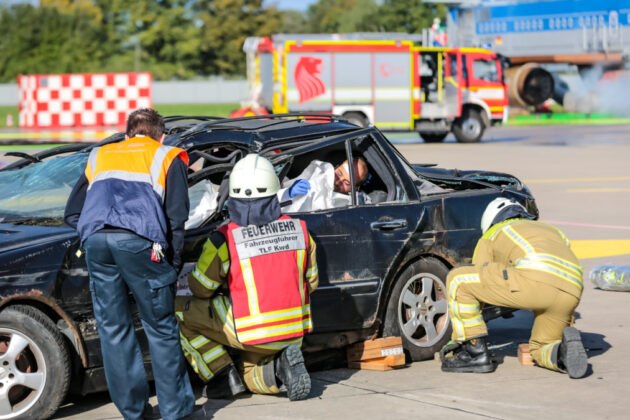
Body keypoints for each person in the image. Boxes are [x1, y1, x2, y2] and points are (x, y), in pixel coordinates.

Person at [64, 108, 199, 420]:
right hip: (140, 243)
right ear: (161, 136)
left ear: (126, 135)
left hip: (96, 242)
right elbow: (176, 218)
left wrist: (97, 231)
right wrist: (173, 265)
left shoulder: (100, 155)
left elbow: (73, 213)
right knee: (161, 327)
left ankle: (134, 413)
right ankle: (175, 411)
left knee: (113, 329)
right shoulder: (168, 156)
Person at [175, 153, 319, 401]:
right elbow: (312, 283)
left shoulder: (225, 238)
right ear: (275, 192)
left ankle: (221, 376)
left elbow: (201, 289)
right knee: (252, 375)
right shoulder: (301, 230)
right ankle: (278, 368)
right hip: (294, 330)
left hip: (252, 332)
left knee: (179, 311)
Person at [440, 197, 588, 379]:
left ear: (491, 221)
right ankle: (562, 353)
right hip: (572, 290)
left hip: (534, 282)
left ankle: (473, 352)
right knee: (540, 347)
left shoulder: (493, 232)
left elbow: (479, 281)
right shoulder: (552, 230)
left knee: (459, 279)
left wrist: (464, 332)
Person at [279, 157, 370, 213]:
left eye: (347, 183)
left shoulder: (350, 207)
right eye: (339, 174)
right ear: (336, 167)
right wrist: (287, 193)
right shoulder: (317, 172)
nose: (338, 182)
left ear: (356, 188)